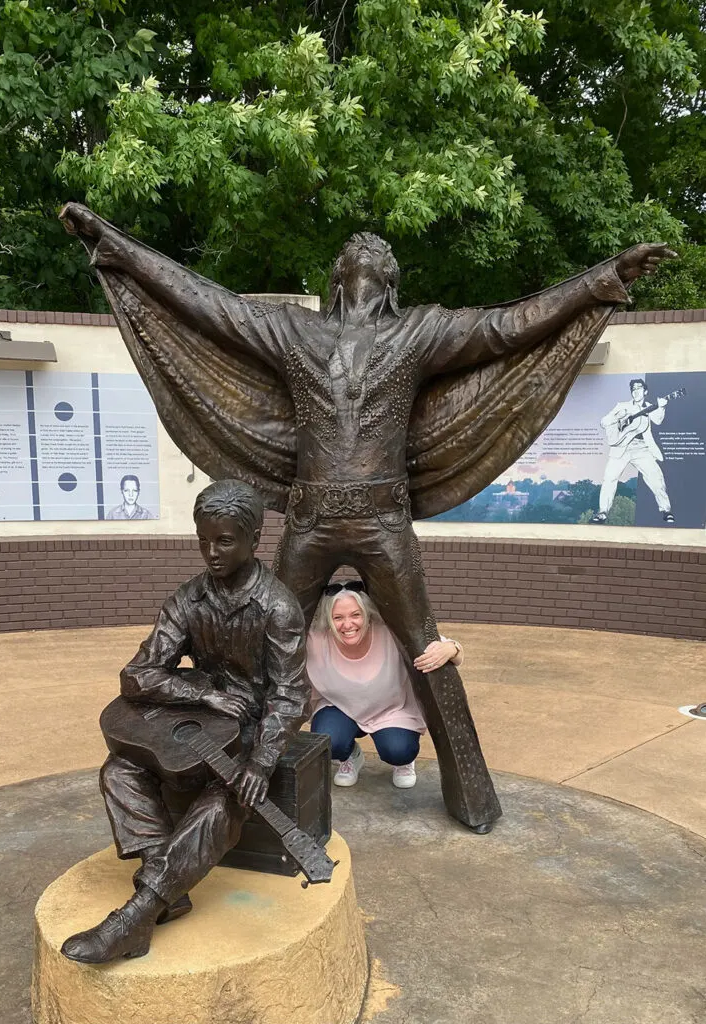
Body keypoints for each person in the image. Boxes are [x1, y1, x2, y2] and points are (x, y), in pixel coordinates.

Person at [60, 200, 675, 833]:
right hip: (310, 518)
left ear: (389, 281)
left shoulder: (418, 331)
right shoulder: (295, 330)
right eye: (355, 256)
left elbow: (507, 327)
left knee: (427, 646)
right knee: (261, 651)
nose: (364, 259)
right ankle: (223, 786)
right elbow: (206, 302)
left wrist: (604, 279)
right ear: (339, 277)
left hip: (384, 519)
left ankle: (474, 798)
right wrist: (114, 244)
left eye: (374, 257)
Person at [60, 479, 309, 964]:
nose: (210, 552)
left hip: (251, 733)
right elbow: (137, 675)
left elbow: (290, 694)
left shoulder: (277, 607)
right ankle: (170, 891)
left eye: (224, 540)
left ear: (254, 539)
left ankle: (138, 914)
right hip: (196, 720)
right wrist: (202, 692)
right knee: (118, 772)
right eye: (203, 540)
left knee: (222, 804)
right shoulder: (187, 600)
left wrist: (260, 763)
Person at [308, 581, 463, 790]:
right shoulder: (316, 639)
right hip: (340, 707)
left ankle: (403, 763)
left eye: (355, 615)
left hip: (391, 709)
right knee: (328, 742)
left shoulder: (391, 632)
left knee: (398, 750)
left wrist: (451, 648)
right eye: (338, 618)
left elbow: (449, 648)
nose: (347, 624)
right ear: (328, 619)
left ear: (367, 614)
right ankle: (349, 756)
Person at [591, 378, 673, 524]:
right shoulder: (622, 406)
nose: (636, 391)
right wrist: (619, 416)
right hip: (621, 448)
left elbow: (658, 420)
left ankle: (666, 510)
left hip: (642, 449)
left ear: (645, 391)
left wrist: (661, 407)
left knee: (656, 478)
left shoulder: (650, 407)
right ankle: (602, 512)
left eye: (639, 388)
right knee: (609, 478)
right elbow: (603, 422)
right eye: (633, 389)